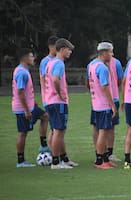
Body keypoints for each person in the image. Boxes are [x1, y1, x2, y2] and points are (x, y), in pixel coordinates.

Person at [86, 41, 123, 163]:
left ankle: (104, 158)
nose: (112, 55)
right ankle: (100, 160)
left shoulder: (92, 65)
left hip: (95, 103)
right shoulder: (102, 68)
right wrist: (112, 105)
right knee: (103, 131)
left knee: (99, 129)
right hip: (104, 105)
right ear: (105, 53)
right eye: (111, 52)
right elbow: (105, 87)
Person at [12, 48, 49, 168]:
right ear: (25, 58)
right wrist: (27, 110)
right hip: (23, 109)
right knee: (23, 133)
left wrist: (33, 102)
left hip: (30, 106)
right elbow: (20, 93)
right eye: (31, 56)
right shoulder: (21, 72)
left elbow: (25, 91)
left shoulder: (22, 70)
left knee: (45, 116)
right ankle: (20, 161)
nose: (33, 58)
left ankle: (43, 145)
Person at [44, 38, 78, 169]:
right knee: (59, 131)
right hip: (57, 102)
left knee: (57, 130)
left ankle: (63, 159)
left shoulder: (49, 63)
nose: (70, 52)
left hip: (49, 101)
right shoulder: (59, 63)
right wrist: (59, 93)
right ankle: (56, 162)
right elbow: (55, 79)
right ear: (62, 49)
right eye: (69, 50)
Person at [39, 35, 59, 152]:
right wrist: (46, 96)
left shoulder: (57, 60)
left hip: (55, 98)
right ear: (51, 47)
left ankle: (53, 152)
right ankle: (52, 153)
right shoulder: (46, 61)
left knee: (55, 127)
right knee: (55, 128)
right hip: (50, 99)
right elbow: (43, 79)